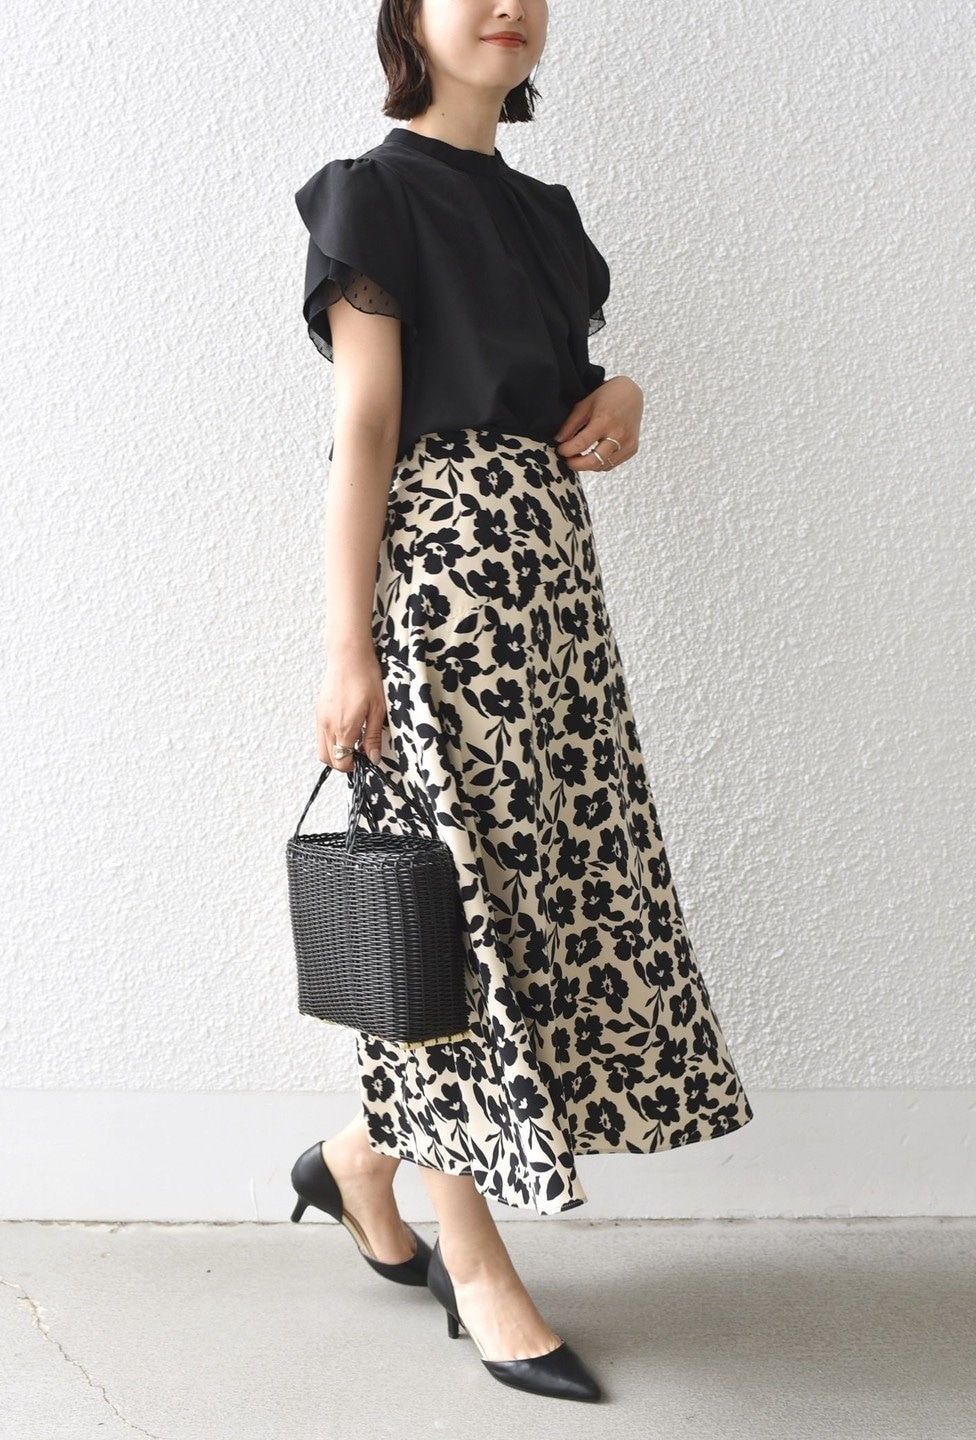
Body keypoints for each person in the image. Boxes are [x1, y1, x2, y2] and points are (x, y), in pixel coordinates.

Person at [289, 0, 755, 1403]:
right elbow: (368, 425)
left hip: (552, 588)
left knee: (537, 900)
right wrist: (349, 648)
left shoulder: (548, 214)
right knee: (458, 923)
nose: (507, 5)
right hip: (439, 587)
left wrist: (624, 392)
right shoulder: (371, 196)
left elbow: (565, 390)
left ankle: (360, 1159)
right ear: (407, 19)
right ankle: (475, 1263)